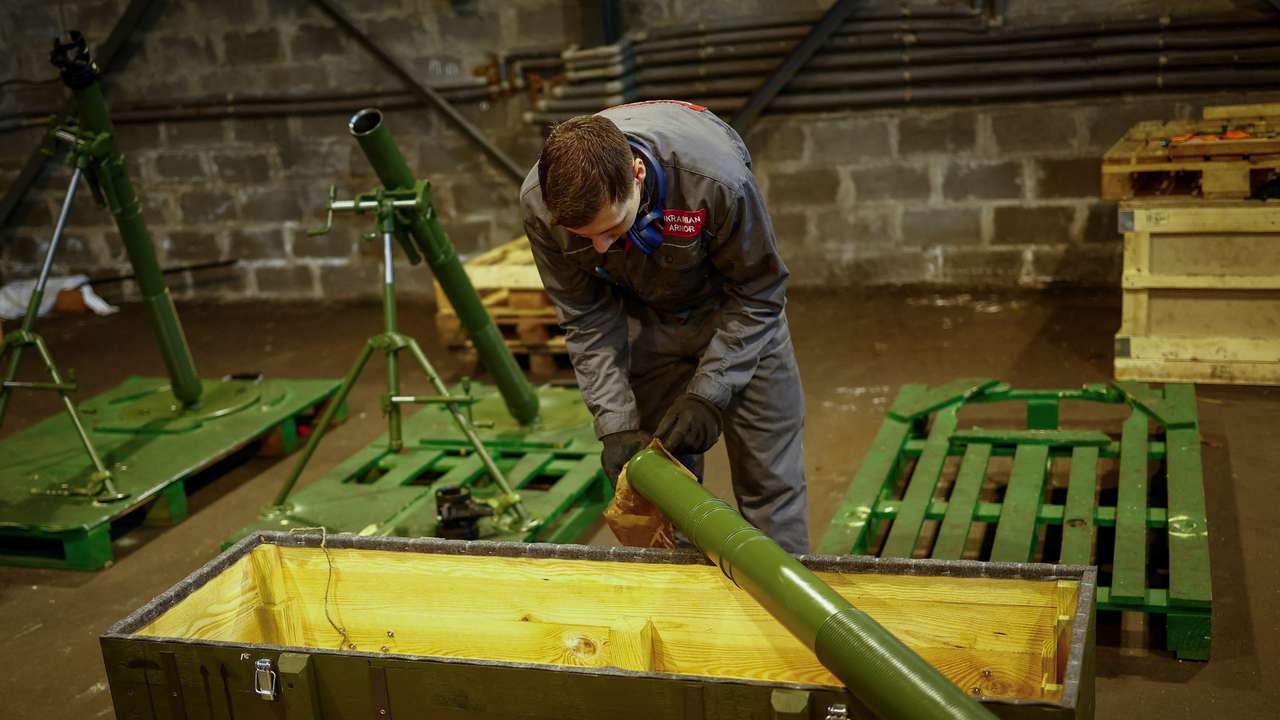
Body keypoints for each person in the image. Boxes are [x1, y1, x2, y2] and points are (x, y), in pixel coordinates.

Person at [520, 100, 809, 553]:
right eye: (585, 238)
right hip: (647, 323)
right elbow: (585, 317)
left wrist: (709, 393)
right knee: (663, 494)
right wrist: (615, 424)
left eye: (612, 228)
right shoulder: (540, 204)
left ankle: (785, 589)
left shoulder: (714, 181)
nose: (600, 249)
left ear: (637, 173)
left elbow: (759, 291)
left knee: (770, 483)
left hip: (740, 319)